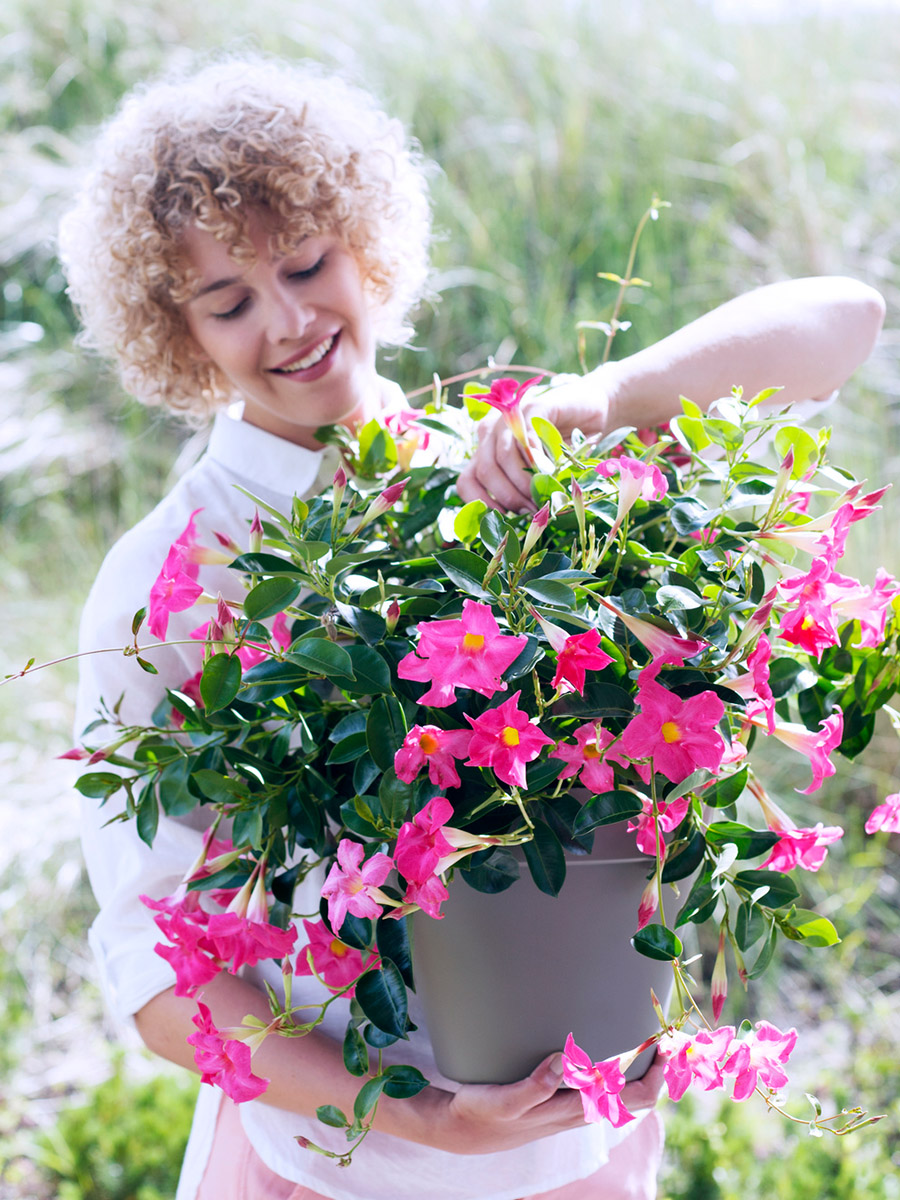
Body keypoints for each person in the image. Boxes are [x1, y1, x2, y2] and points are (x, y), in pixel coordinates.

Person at [59, 54, 885, 1200]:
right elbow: (156, 981)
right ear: (172, 329)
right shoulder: (167, 580)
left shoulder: (506, 462)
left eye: (306, 262)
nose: (291, 321)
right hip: (340, 1172)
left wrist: (606, 402)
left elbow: (845, 320)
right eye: (229, 300)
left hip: (575, 1140)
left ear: (368, 243)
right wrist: (424, 1119)